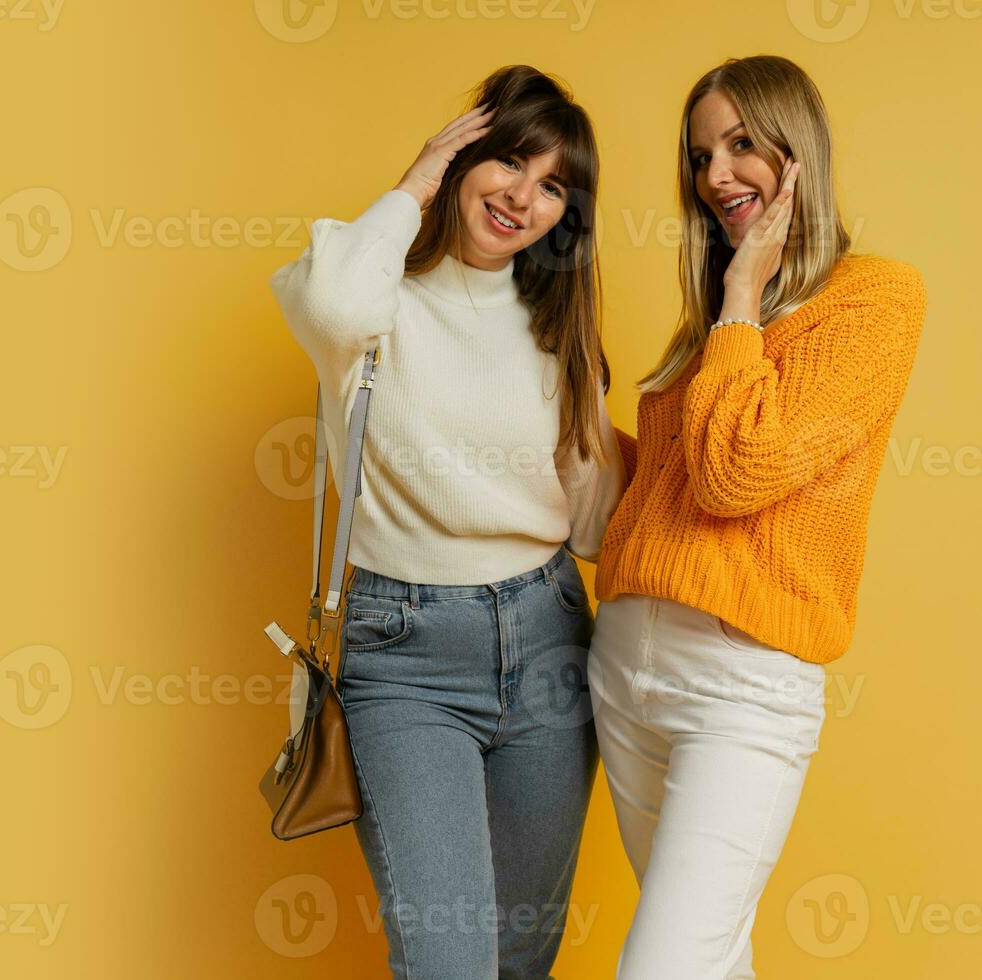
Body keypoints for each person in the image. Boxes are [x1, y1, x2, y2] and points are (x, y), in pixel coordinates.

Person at [269, 64, 625, 978]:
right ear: (464, 157)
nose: (523, 198)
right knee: (449, 964)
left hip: (549, 635)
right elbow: (331, 298)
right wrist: (413, 181)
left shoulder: (556, 324)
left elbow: (591, 524)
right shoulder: (374, 305)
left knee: (519, 958)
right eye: (508, 161)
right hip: (405, 654)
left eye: (553, 187)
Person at [587, 54, 928, 979]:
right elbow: (662, 495)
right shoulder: (712, 332)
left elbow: (740, 471)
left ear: (798, 148)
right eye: (701, 156)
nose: (717, 176)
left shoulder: (872, 301)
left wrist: (739, 300)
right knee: (712, 962)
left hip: (740, 687)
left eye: (742, 145)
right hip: (623, 670)